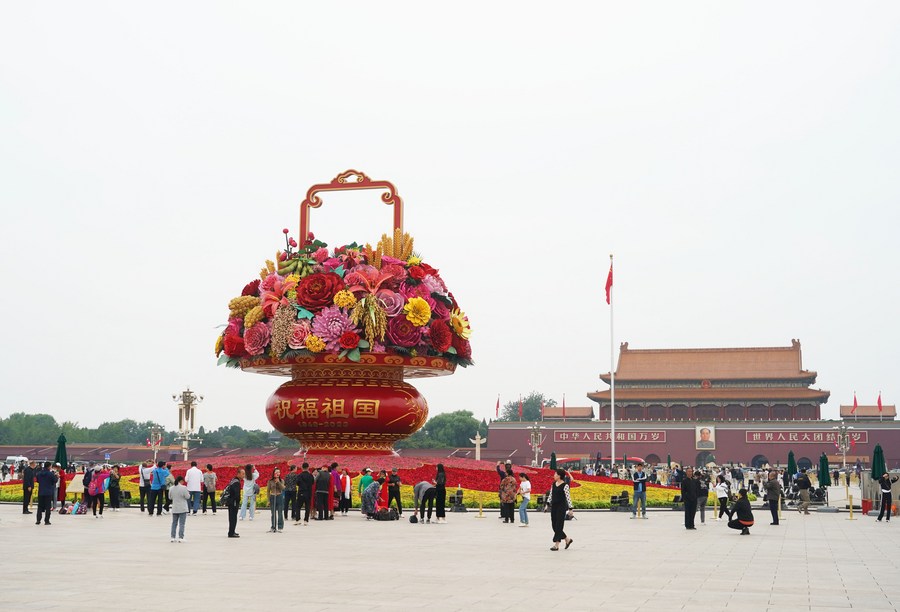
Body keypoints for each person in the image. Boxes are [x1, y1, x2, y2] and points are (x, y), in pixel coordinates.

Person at [548, 468, 574, 551]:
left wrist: (570, 509)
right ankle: (567, 539)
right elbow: (551, 495)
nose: (554, 475)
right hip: (554, 507)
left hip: (561, 507)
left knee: (559, 525)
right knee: (554, 526)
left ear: (559, 476)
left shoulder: (565, 485)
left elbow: (568, 498)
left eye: (555, 474)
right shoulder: (553, 484)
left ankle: (557, 544)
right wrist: (547, 504)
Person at [169, 475, 191, 542]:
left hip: (175, 508)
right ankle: (181, 537)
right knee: (182, 524)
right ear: (181, 481)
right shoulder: (184, 488)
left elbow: (170, 497)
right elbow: (188, 497)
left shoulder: (171, 488)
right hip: (182, 508)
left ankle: (172, 537)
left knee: (174, 523)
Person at [225, 467, 243, 538]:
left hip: (231, 501)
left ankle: (232, 531)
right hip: (233, 503)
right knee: (233, 518)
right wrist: (238, 500)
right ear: (238, 474)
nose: (244, 475)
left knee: (232, 517)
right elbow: (236, 494)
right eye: (242, 474)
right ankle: (231, 533)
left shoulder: (233, 480)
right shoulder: (236, 482)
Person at [268, 467, 285, 532]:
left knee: (280, 512)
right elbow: (268, 491)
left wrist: (278, 482)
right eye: (276, 472)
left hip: (279, 496)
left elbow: (283, 488)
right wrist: (268, 500)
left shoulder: (281, 480)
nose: (278, 473)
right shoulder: (270, 481)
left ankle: (280, 527)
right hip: (272, 497)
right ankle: (273, 526)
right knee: (273, 513)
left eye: (279, 472)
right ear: (274, 473)